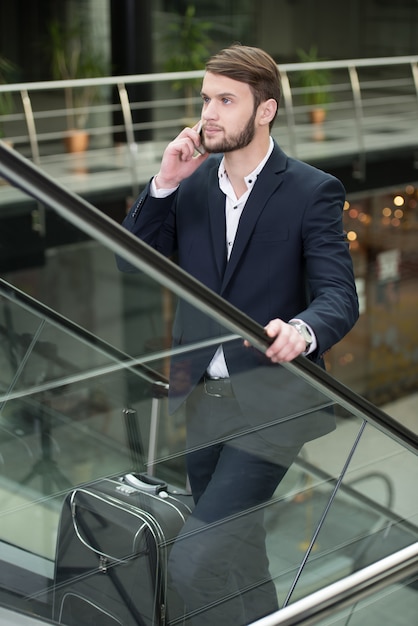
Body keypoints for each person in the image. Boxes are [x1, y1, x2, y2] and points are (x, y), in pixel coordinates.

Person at [119, 44, 359, 625]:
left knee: (195, 560)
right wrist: (165, 182)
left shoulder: (310, 191)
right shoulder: (193, 186)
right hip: (204, 401)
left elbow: (339, 297)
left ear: (266, 110)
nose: (210, 114)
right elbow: (133, 266)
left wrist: (302, 330)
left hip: (273, 404)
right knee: (239, 555)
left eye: (227, 100)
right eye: (206, 99)